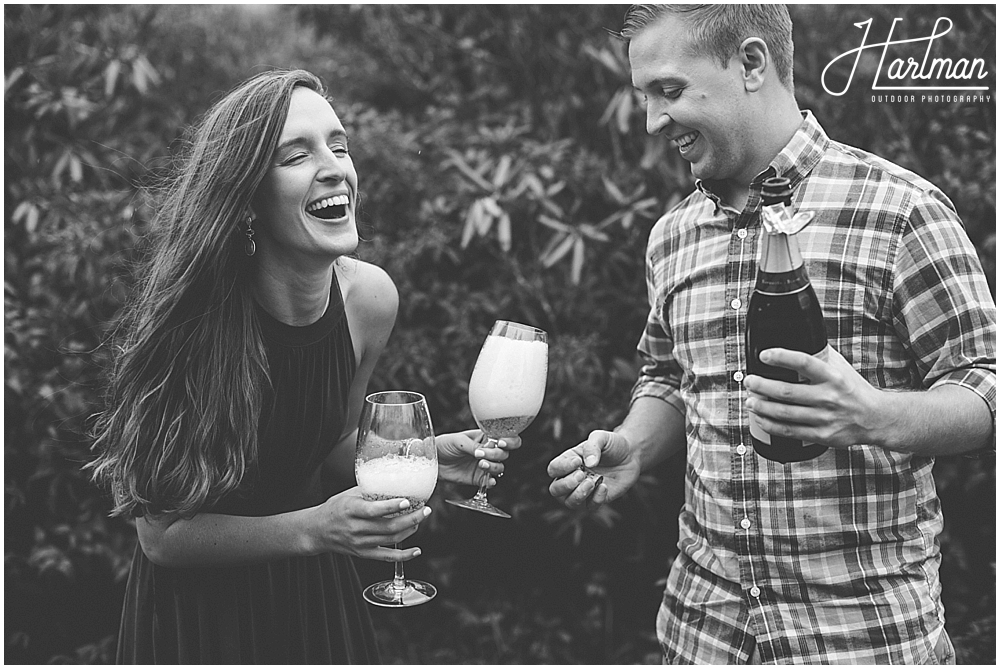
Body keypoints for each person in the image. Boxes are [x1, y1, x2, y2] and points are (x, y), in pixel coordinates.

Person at [548, 5, 995, 665]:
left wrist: (873, 414)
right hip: (701, 636)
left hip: (860, 640)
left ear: (753, 63)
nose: (651, 122)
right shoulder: (672, 234)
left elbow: (986, 381)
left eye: (669, 92)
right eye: (644, 98)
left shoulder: (901, 209)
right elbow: (670, 379)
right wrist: (635, 445)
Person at [88, 69, 517, 664]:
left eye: (339, 145)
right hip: (201, 622)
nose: (335, 166)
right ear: (247, 198)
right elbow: (161, 536)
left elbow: (331, 444)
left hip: (316, 602)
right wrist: (314, 529)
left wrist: (426, 458)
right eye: (297, 154)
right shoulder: (194, 322)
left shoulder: (369, 301)